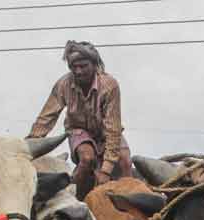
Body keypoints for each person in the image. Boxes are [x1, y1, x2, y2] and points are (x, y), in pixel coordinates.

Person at [28, 40, 133, 200]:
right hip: (78, 130)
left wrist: (106, 170)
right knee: (87, 159)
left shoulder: (109, 86)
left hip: (106, 132)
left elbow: (113, 128)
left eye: (83, 66)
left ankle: (132, 205)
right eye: (73, 67)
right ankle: (73, 201)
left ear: (94, 64)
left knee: (125, 161)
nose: (78, 71)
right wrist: (29, 147)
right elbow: (46, 118)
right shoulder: (63, 84)